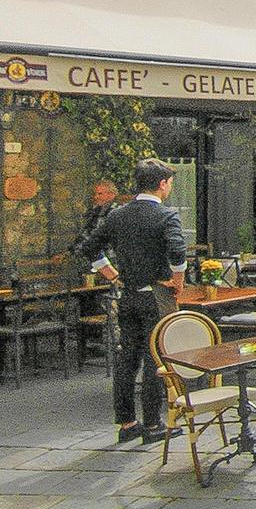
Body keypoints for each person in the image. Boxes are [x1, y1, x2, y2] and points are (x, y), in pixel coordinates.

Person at [72, 158, 185, 445]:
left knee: (127, 359)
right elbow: (177, 252)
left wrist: (112, 275)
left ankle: (127, 424)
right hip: (155, 296)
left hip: (128, 296)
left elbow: (90, 247)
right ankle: (153, 423)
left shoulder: (118, 215)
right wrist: (178, 282)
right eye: (170, 183)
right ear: (162, 184)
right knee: (155, 358)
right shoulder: (166, 216)